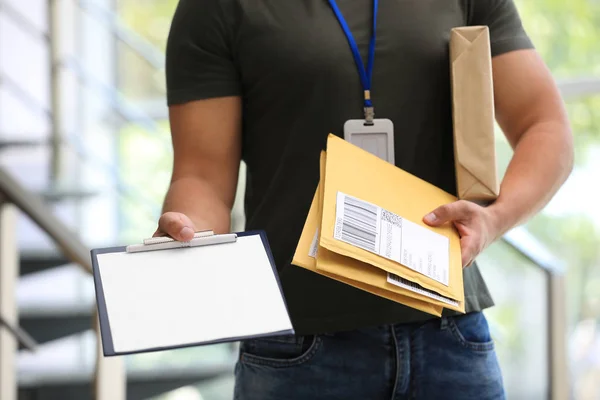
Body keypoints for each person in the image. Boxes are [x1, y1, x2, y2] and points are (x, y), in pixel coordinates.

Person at [157, 0, 573, 399]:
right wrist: (190, 234)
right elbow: (202, 176)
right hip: (296, 345)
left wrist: (495, 218)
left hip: (448, 333)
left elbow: (544, 125)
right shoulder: (216, 6)